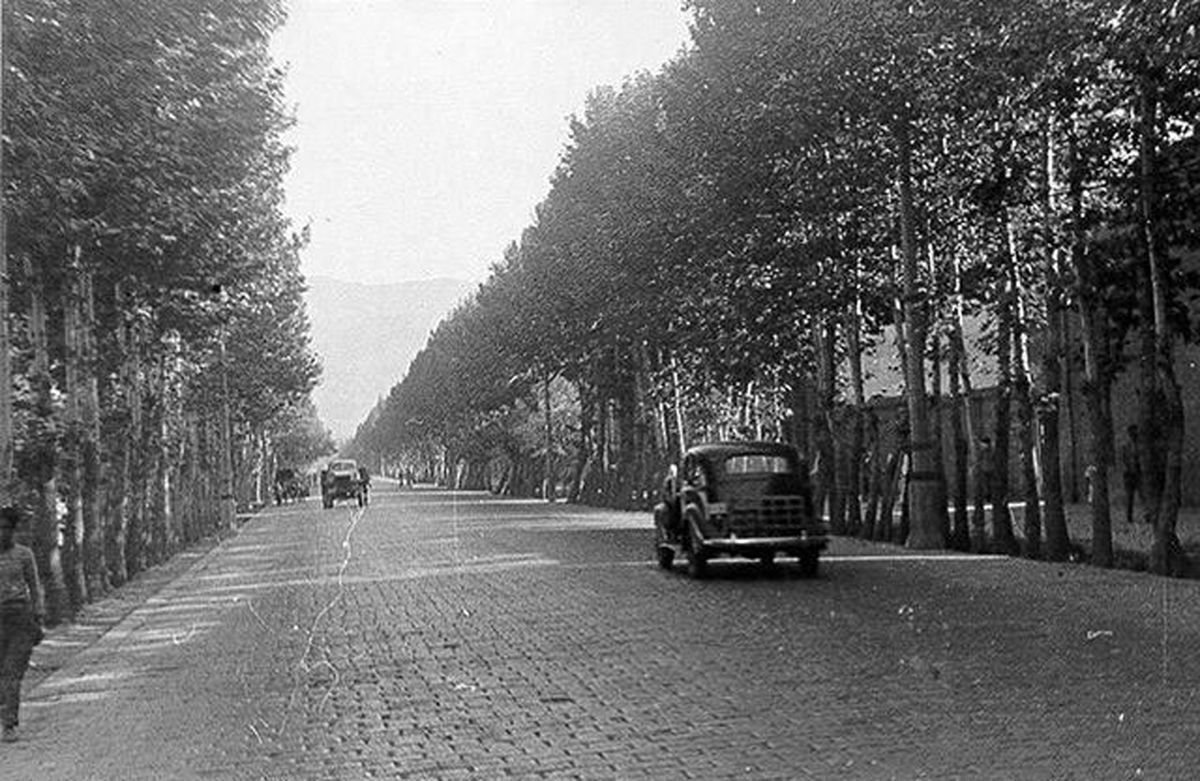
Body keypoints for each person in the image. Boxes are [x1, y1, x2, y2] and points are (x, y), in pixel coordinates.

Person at [0, 506, 44, 743]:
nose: (1, 534)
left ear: (14, 531)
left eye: (6, 529)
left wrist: (39, 617)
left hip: (19, 618)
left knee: (13, 674)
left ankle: (9, 724)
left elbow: (35, 587)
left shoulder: (24, 555)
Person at [1120, 424, 1141, 524]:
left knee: (1144, 495)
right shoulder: (1125, 446)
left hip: (1139, 473)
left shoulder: (1140, 445)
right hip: (1129, 474)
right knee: (1130, 497)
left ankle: (1148, 515)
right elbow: (1123, 460)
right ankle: (1129, 517)